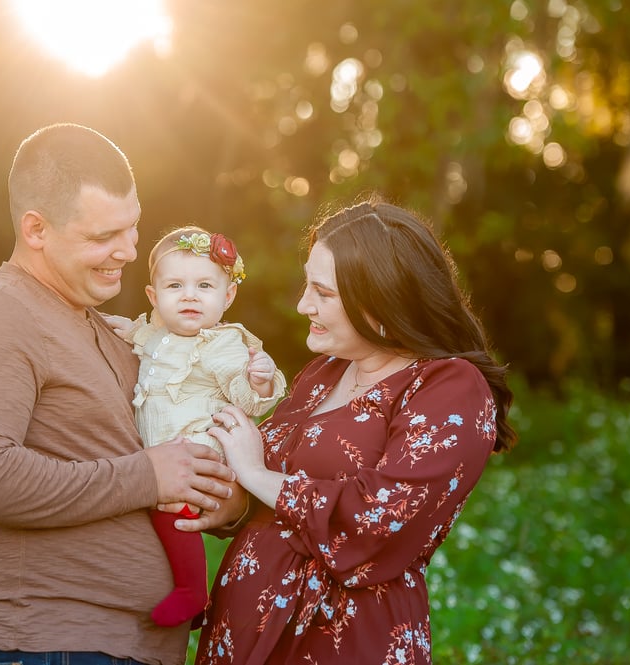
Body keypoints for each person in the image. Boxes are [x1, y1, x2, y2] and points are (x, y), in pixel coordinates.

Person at [0, 123, 241, 665]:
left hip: (130, 648)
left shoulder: (110, 329)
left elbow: (155, 460)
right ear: (36, 229)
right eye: (102, 237)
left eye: (132, 227)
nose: (127, 251)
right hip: (47, 643)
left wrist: (222, 499)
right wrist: (149, 475)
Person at [183, 197, 517, 664]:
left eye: (323, 292)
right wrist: (233, 505)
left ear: (382, 298)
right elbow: (278, 499)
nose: (303, 305)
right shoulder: (324, 373)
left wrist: (255, 474)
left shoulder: (449, 386)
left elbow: (379, 520)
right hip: (245, 636)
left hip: (342, 640)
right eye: (307, 286)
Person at [105, 226, 287, 628]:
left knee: (174, 508)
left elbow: (245, 396)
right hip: (163, 449)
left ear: (228, 295)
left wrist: (259, 380)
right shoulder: (156, 334)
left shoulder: (222, 344)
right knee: (155, 508)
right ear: (154, 297)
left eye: (204, 285)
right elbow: (140, 335)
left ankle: (193, 591)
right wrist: (118, 327)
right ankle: (168, 582)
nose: (189, 295)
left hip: (197, 448)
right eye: (175, 285)